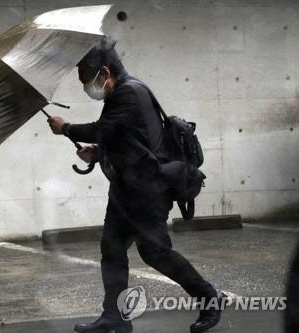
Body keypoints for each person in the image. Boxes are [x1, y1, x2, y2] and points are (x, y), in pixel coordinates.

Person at [47, 38, 222, 333]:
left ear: (104, 72)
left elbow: (104, 130)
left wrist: (65, 128)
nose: (85, 87)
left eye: (86, 80)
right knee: (112, 250)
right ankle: (113, 317)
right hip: (126, 190)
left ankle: (209, 298)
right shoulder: (118, 96)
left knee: (156, 253)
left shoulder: (130, 92)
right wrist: (96, 153)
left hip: (148, 190)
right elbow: (124, 139)